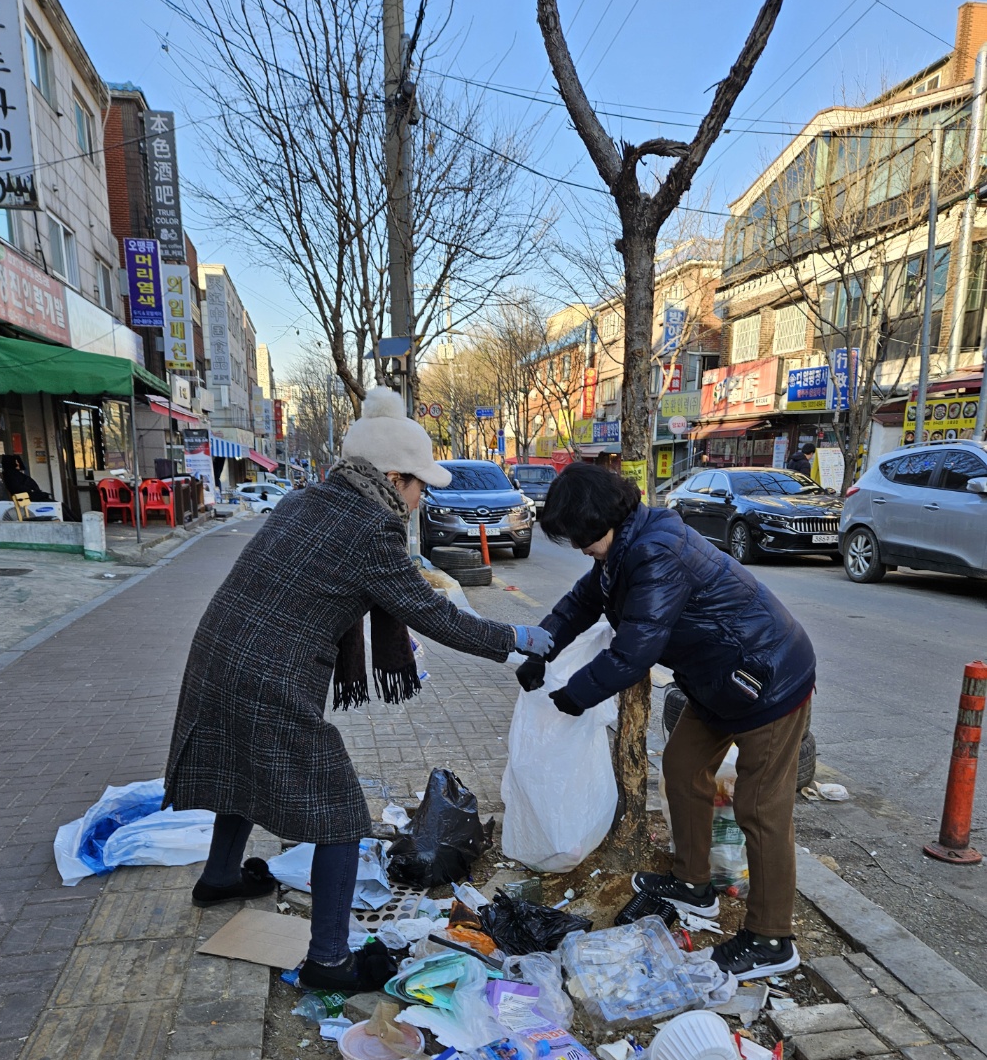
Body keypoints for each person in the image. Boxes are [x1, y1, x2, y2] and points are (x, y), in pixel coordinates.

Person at [165, 387, 551, 992]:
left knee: (242, 767)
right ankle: (329, 961)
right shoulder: (371, 527)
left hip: (220, 655)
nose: (421, 496)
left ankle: (220, 877)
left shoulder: (307, 499)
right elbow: (435, 615)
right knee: (340, 814)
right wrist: (516, 637)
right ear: (392, 478)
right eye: (419, 483)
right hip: (270, 677)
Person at [517, 463, 816, 981]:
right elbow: (583, 602)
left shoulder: (656, 551)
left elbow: (635, 651)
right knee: (681, 768)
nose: (581, 549)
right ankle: (694, 885)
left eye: (582, 539)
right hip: (716, 680)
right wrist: (541, 646)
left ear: (602, 521)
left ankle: (771, 938)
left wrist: (574, 697)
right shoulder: (626, 547)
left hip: (768, 678)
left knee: (760, 807)